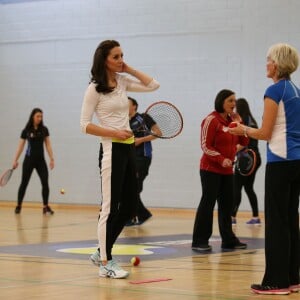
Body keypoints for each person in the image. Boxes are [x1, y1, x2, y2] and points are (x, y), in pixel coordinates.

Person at [80, 40, 159, 279]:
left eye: (122, 55)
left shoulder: (123, 81)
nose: (120, 59)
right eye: (116, 56)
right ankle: (106, 261)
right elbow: (84, 125)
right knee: (109, 208)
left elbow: (154, 85)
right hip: (111, 149)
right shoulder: (94, 88)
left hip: (127, 150)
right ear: (104, 59)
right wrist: (114, 132)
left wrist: (130, 69)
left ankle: (100, 252)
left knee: (130, 206)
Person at [229, 43, 300, 295]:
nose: (266, 64)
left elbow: (266, 133)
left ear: (277, 65)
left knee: (278, 223)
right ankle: (293, 277)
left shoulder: (274, 90)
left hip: (280, 163)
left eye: (268, 60)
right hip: (296, 163)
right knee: (291, 220)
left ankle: (277, 282)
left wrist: (243, 130)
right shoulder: (295, 90)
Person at [192, 89, 248, 253]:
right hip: (210, 169)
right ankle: (199, 240)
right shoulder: (211, 120)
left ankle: (229, 240)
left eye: (234, 100)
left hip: (227, 171)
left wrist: (240, 124)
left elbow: (244, 140)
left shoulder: (233, 121)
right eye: (230, 100)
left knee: (227, 205)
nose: (234, 103)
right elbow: (205, 145)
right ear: (221, 102)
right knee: (207, 204)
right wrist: (220, 158)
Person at [125, 96, 162, 226]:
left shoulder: (144, 118)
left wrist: (140, 140)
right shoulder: (124, 122)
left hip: (143, 157)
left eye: (126, 103)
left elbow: (158, 133)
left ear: (134, 106)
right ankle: (141, 214)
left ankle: (132, 216)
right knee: (131, 188)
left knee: (132, 187)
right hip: (129, 159)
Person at [12, 108, 55, 215]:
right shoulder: (26, 130)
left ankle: (45, 207)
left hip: (41, 161)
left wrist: (52, 158)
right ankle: (19, 206)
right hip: (28, 161)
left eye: (41, 116)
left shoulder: (44, 130)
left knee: (45, 183)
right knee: (24, 183)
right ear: (33, 117)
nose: (40, 118)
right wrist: (15, 160)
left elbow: (48, 145)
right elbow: (20, 147)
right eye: (38, 116)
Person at [231, 98, 261, 226]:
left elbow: (244, 143)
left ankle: (232, 217)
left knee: (236, 187)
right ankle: (256, 217)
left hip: (248, 159)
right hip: (254, 158)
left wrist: (231, 151)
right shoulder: (251, 120)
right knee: (248, 188)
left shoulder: (246, 122)